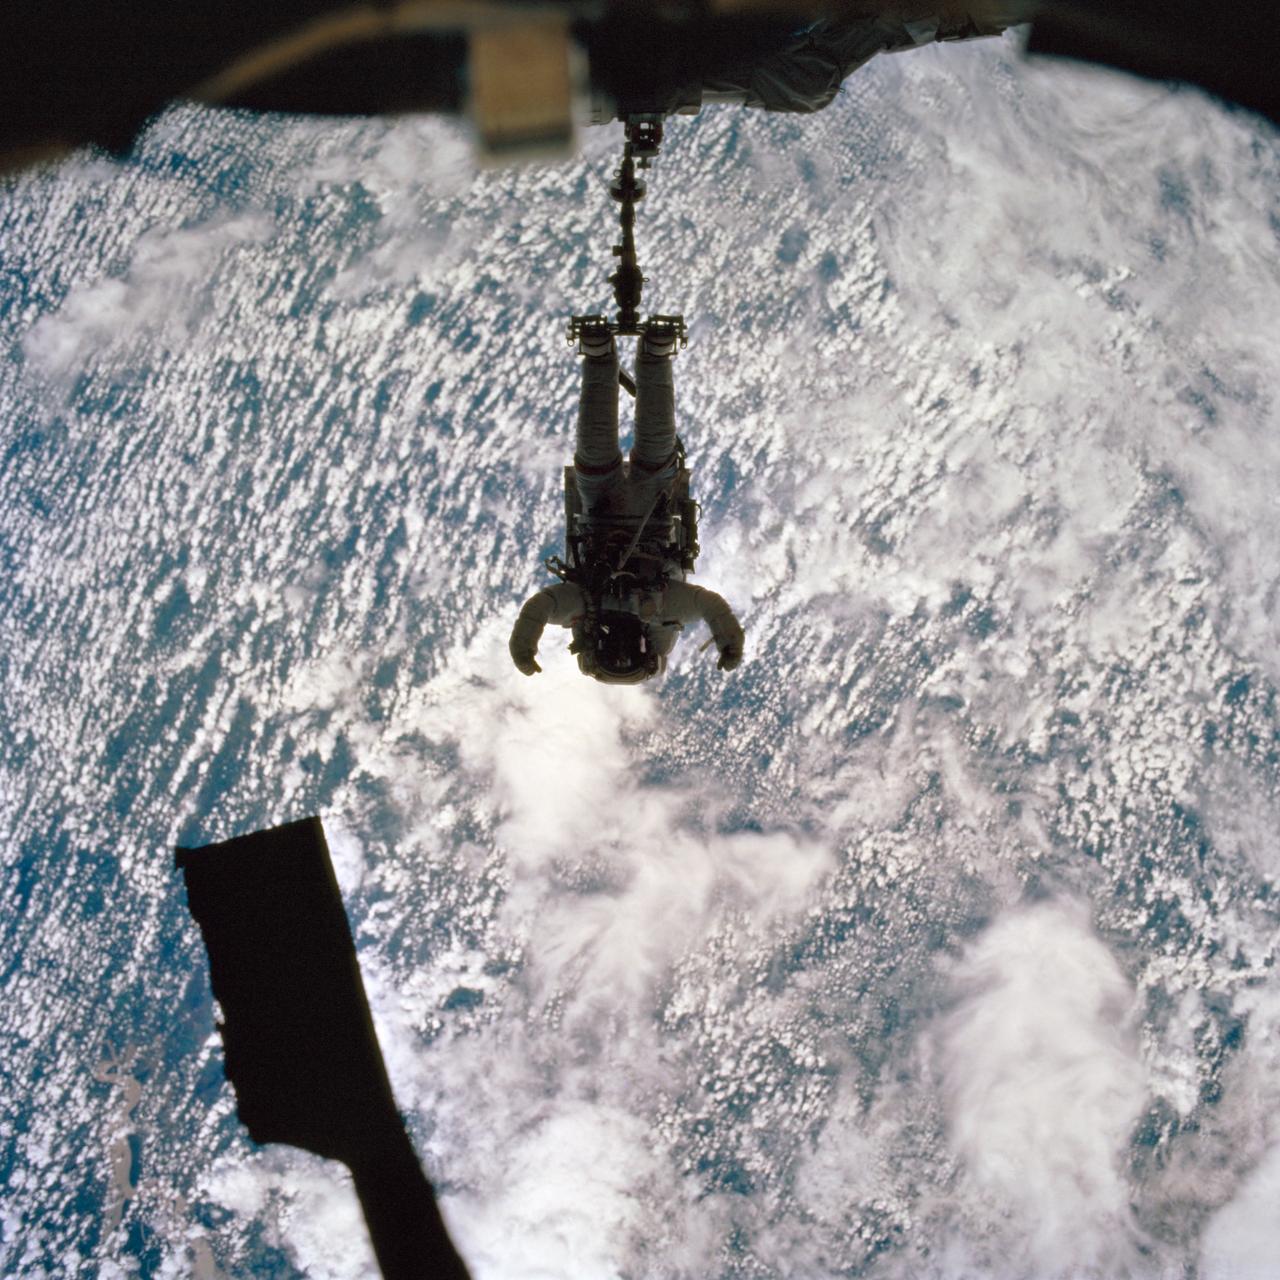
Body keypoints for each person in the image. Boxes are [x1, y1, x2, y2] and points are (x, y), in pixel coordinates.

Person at [509, 321, 743, 684]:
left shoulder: (586, 608)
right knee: (645, 445)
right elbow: (708, 606)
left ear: (595, 651)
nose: (620, 647)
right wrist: (730, 641)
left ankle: (613, 356)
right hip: (648, 513)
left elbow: (543, 607)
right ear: (645, 652)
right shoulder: (660, 611)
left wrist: (524, 646)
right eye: (628, 656)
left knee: (603, 446)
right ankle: (646, 356)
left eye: (612, 654)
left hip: (603, 511)